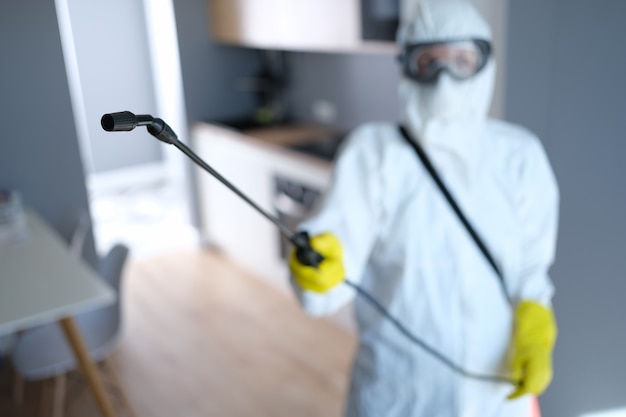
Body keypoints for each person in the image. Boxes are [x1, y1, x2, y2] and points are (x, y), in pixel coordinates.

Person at [288, 0, 559, 416]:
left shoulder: (519, 156)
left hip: (498, 393)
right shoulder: (373, 153)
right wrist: (318, 269)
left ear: (485, 63)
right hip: (399, 395)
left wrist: (536, 329)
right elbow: (332, 273)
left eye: (462, 59)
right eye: (429, 61)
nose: (445, 78)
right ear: (406, 65)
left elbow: (529, 270)